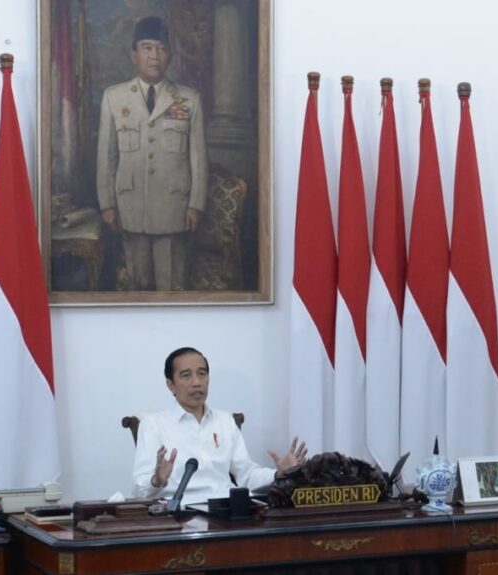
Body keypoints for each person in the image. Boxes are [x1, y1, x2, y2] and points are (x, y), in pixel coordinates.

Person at [97, 16, 207, 291]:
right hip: (131, 209)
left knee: (173, 287)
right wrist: (107, 204)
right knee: (138, 286)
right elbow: (106, 157)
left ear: (170, 55)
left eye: (161, 48)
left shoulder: (189, 99)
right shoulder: (114, 97)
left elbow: (198, 158)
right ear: (134, 54)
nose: (154, 56)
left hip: (174, 210)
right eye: (147, 48)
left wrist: (196, 204)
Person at [132, 347, 307, 504]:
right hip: (178, 511)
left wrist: (279, 473)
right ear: (171, 385)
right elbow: (139, 490)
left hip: (224, 510)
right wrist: (157, 479)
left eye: (202, 373)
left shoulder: (225, 421)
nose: (197, 382)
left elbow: (247, 475)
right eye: (186, 375)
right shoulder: (153, 425)